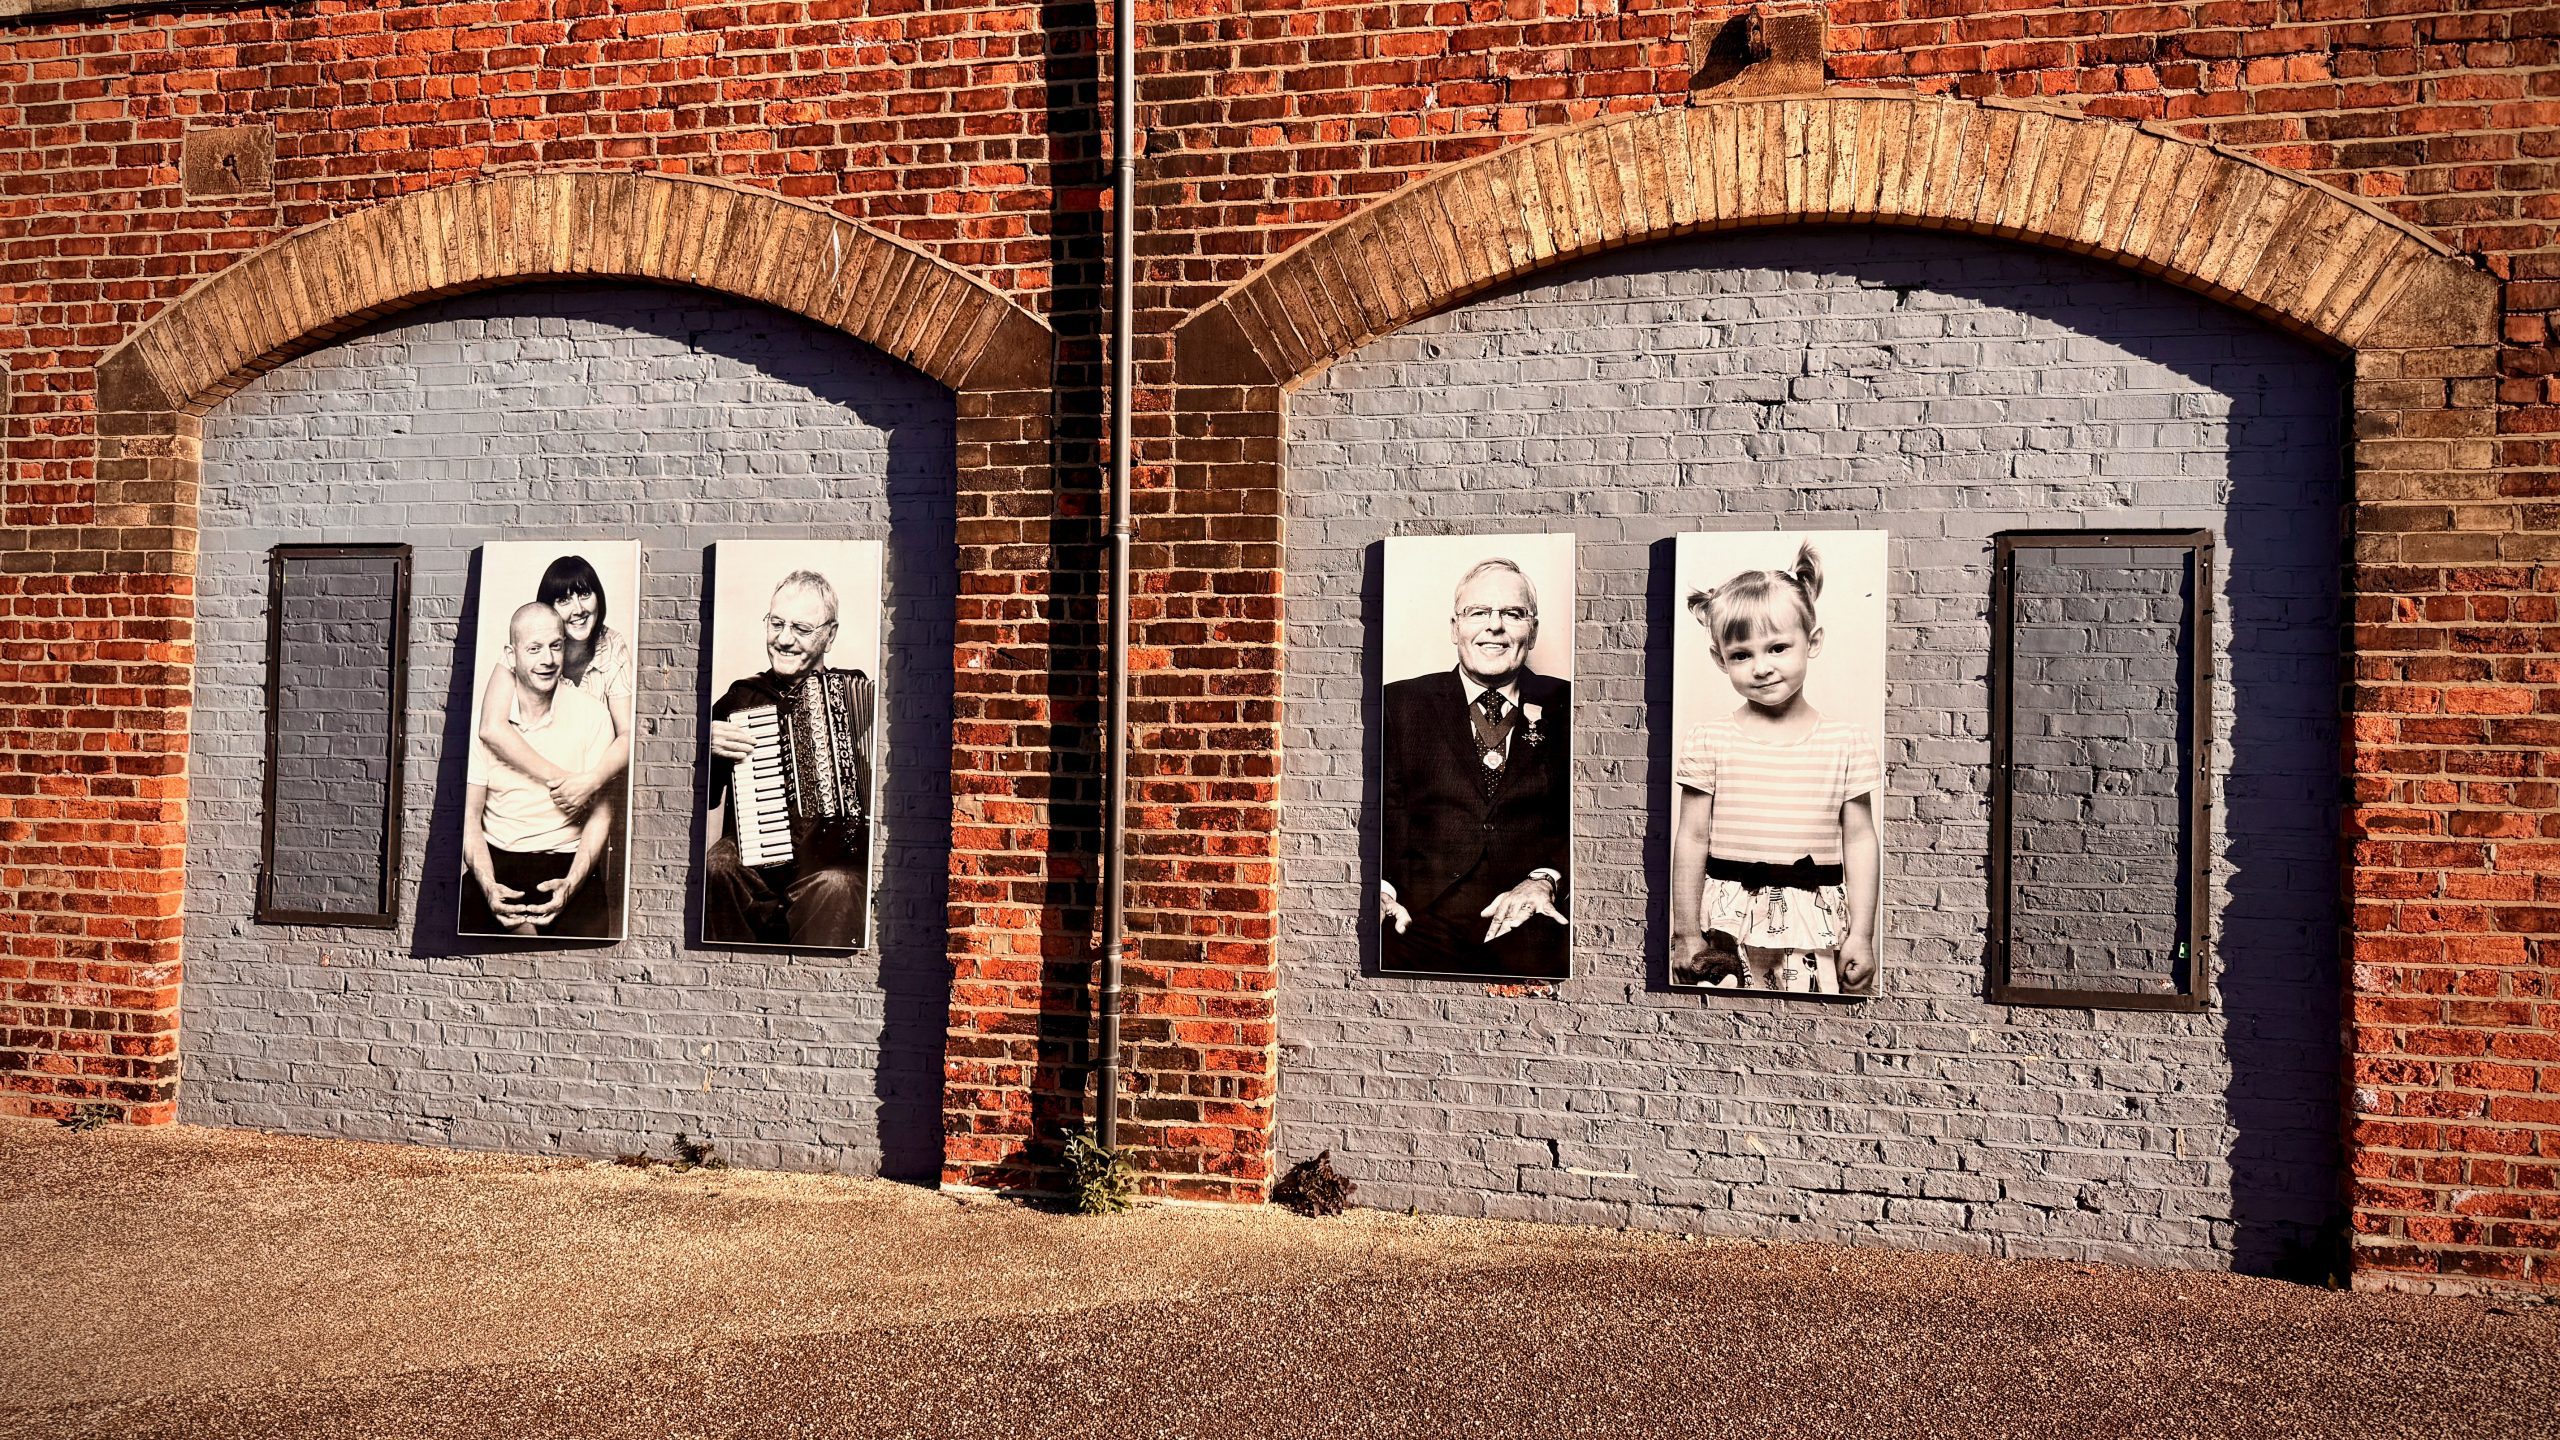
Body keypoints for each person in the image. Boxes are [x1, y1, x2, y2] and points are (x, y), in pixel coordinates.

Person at [1668, 541, 1880, 995]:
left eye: (1778, 647)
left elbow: (1860, 839)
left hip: (1814, 927)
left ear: (1812, 642)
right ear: (1719, 659)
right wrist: (1685, 933)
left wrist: (1862, 934)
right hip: (1725, 925)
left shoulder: (1847, 743)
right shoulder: (1709, 740)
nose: (1761, 668)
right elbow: (1692, 838)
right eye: (1742, 654)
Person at [1378, 557, 1572, 978]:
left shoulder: (1569, 703)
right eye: (1479, 612)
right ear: (1455, 627)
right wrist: (1381, 890)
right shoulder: (1399, 704)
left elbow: (1586, 819)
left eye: (1512, 614)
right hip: (1415, 918)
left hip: (1529, 918)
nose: (1495, 626)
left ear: (1533, 630)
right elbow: (1383, 814)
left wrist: (1546, 879)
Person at [702, 569, 874, 949]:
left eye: (801, 628)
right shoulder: (742, 699)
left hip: (826, 862)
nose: (783, 639)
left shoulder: (856, 696)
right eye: (776, 623)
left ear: (830, 635)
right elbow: (698, 796)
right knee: (718, 866)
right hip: (755, 860)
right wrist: (702, 748)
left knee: (840, 884)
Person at [461, 603, 619, 938]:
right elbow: (469, 819)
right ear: (511, 655)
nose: (547, 659)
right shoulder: (484, 722)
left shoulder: (593, 715)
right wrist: (488, 885)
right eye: (534, 649)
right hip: (498, 858)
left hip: (569, 859)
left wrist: (572, 883)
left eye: (555, 646)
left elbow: (601, 815)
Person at [475, 554, 634, 822]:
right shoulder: (526, 643)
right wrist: (565, 782)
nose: (578, 609)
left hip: (596, 788)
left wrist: (591, 782)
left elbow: (627, 734)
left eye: (584, 594)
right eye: (563, 600)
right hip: (533, 780)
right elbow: (490, 728)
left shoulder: (612, 645)